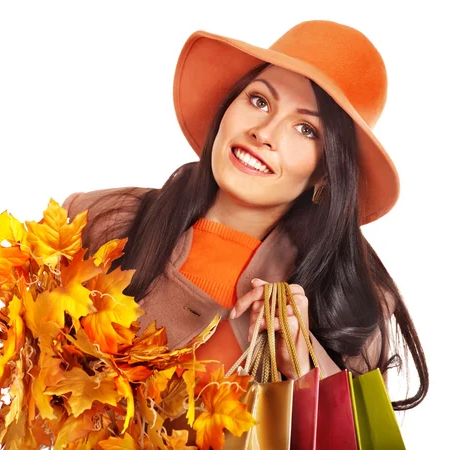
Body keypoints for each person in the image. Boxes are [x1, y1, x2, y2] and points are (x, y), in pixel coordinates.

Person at [62, 20, 428, 413]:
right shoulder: (98, 222)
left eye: (305, 129)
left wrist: (300, 369)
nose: (265, 133)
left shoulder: (347, 309)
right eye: (259, 101)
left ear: (326, 171)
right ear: (227, 107)